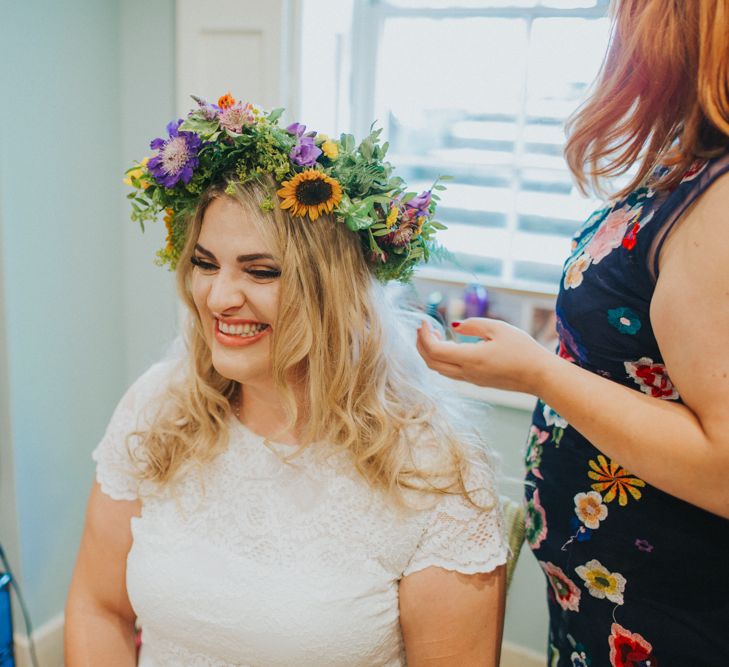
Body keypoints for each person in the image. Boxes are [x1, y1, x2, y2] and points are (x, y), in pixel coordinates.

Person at [64, 94, 507, 666]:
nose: (219, 297)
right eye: (205, 263)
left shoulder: (431, 468)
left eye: (262, 271)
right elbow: (99, 607)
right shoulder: (159, 406)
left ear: (336, 291)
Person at [417, 1, 729, 665]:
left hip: (678, 623)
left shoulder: (723, 200)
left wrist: (538, 372)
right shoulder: (687, 170)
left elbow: (724, 466)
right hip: (608, 608)